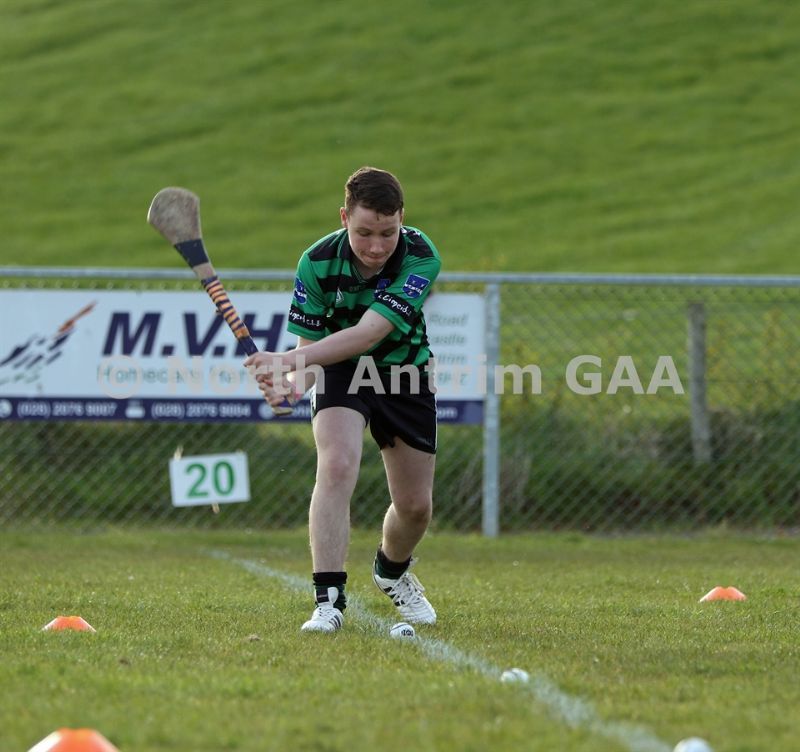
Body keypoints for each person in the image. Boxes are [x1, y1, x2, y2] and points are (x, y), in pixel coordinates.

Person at [244, 166, 442, 633]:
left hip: (405, 374)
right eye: (364, 233)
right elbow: (310, 353)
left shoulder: (420, 254)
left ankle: (391, 571)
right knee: (336, 465)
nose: (376, 247)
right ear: (344, 218)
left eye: (387, 233)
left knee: (415, 507)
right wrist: (293, 384)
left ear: (402, 219)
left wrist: (286, 363)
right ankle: (328, 600)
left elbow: (369, 332)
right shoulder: (316, 262)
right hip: (341, 371)